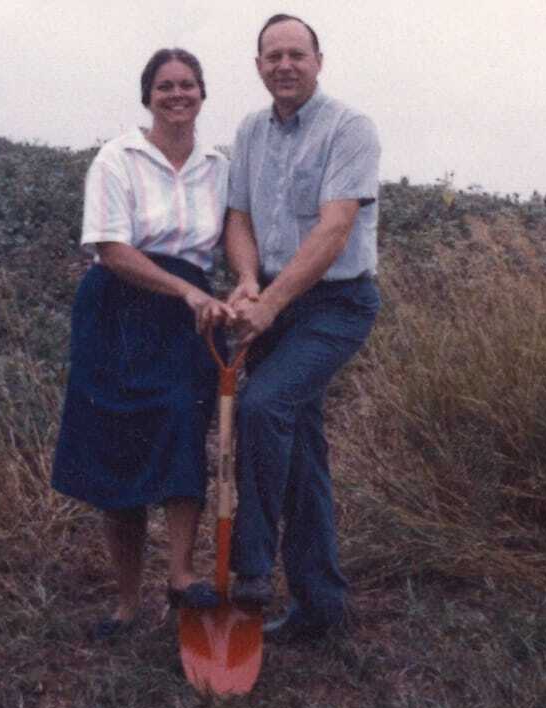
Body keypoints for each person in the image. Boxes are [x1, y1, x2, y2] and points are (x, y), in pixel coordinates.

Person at [51, 48, 235, 640]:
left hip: (189, 322)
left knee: (183, 427)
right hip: (119, 313)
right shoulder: (116, 159)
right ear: (147, 95)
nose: (176, 95)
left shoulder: (219, 165)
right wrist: (183, 291)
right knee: (118, 452)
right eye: (164, 86)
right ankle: (127, 605)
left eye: (187, 85)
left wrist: (249, 287)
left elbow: (235, 239)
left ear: (202, 94)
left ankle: (180, 579)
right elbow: (110, 247)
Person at [225, 14, 382, 642]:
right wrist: (245, 280)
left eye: (297, 54)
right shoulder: (248, 131)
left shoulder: (350, 129)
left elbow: (334, 229)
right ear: (258, 65)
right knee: (303, 452)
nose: (284, 65)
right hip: (275, 303)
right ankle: (321, 606)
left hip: (335, 304)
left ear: (319, 60)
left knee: (263, 408)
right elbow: (239, 216)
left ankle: (252, 567)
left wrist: (270, 303)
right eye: (273, 56)